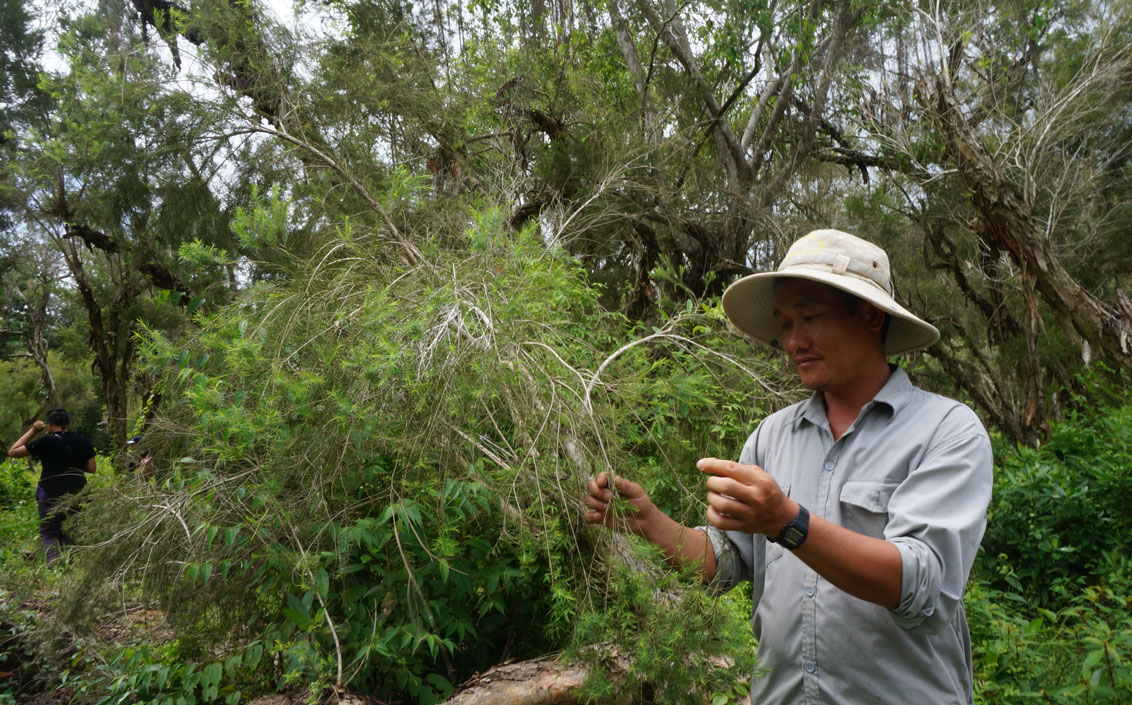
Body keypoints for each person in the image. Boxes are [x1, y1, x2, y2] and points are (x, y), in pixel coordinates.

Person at [584, 229, 993, 704]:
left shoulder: (946, 430)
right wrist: (650, 523)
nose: (793, 341)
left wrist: (787, 522)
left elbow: (921, 582)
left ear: (871, 315)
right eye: (784, 324)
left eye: (811, 317)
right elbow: (729, 562)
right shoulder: (771, 437)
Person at [7, 408, 97, 564]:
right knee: (72, 528)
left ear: (49, 425)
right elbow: (92, 468)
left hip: (49, 493)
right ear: (68, 423)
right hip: (78, 492)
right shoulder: (84, 442)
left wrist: (33, 430)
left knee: (49, 532)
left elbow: (13, 452)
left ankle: (55, 566)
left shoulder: (44, 442)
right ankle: (72, 565)